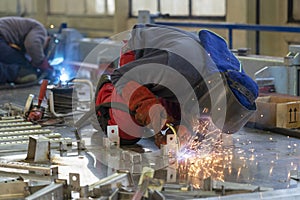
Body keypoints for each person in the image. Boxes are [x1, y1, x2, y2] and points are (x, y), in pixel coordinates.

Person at [94, 24, 259, 149]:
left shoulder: (236, 81)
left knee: (184, 133)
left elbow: (201, 115)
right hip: (138, 59)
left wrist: (186, 127)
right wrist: (148, 106)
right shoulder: (174, 67)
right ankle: (107, 93)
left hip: (183, 78)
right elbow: (122, 76)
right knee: (128, 129)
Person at [0, 16, 53, 84]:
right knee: (24, 66)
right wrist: (41, 62)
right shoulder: (40, 29)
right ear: (48, 39)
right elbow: (32, 45)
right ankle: (16, 75)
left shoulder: (25, 29)